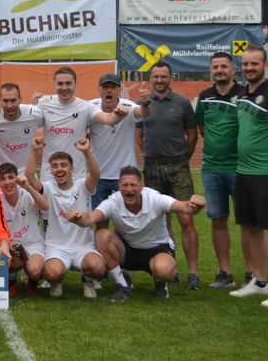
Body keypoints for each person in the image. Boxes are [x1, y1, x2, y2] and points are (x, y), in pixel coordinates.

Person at [68, 166, 206, 301]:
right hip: (128, 251)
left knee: (164, 271)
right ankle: (123, 284)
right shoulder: (113, 201)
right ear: (119, 186)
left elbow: (186, 207)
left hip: (157, 249)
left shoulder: (155, 199)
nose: (129, 189)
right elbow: (90, 218)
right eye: (125, 185)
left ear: (142, 185)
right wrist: (78, 218)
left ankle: (161, 283)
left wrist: (196, 204)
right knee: (102, 234)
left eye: (133, 185)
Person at [135, 60, 200, 289]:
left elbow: (192, 136)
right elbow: (139, 136)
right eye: (156, 77)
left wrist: (181, 158)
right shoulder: (143, 103)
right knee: (162, 220)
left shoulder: (182, 103)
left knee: (186, 218)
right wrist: (151, 156)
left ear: (170, 78)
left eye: (163, 76)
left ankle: (193, 272)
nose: (159, 80)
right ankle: (171, 267)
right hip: (152, 167)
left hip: (178, 166)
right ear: (150, 79)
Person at [25, 136, 106, 299]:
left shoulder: (82, 186)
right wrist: (34, 151)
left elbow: (96, 174)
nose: (59, 169)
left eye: (63, 165)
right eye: (54, 166)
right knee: (52, 273)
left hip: (83, 246)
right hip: (57, 247)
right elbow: (30, 177)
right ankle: (57, 281)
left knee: (98, 267)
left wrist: (86, 152)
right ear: (51, 170)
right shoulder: (48, 188)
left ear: (72, 169)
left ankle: (88, 281)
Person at [195, 52, 244, 289]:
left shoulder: (246, 94)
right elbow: (202, 128)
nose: (219, 70)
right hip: (212, 169)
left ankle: (254, 273)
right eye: (215, 67)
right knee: (218, 221)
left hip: (242, 169)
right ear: (210, 70)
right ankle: (224, 272)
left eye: (224, 66)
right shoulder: (204, 97)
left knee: (249, 223)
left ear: (234, 70)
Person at [229, 44, 268, 307]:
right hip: (243, 171)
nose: (249, 68)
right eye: (245, 64)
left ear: (264, 65)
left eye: (254, 64)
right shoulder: (243, 93)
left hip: (264, 171)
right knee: (249, 226)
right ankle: (259, 280)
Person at [88, 74, 150, 217]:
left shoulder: (127, 106)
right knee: (99, 220)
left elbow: (143, 113)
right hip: (98, 175)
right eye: (105, 87)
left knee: (128, 219)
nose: (109, 90)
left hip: (125, 176)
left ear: (119, 89)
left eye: (113, 87)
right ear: (99, 89)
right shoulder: (90, 107)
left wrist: (145, 103)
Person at [0, 163, 49, 296]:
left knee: (35, 270)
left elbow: (45, 206)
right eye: (3, 179)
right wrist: (7, 243)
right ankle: (11, 280)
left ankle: (32, 280)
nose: (7, 182)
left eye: (11, 177)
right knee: (12, 260)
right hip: (12, 244)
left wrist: (29, 187)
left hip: (34, 243)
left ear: (17, 179)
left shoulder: (27, 194)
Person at [0, 83, 44, 190]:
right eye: (5, 101)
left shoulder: (34, 114)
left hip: (26, 175)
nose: (9, 105)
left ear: (20, 99)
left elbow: (54, 115)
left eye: (13, 100)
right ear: (0, 100)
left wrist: (43, 99)